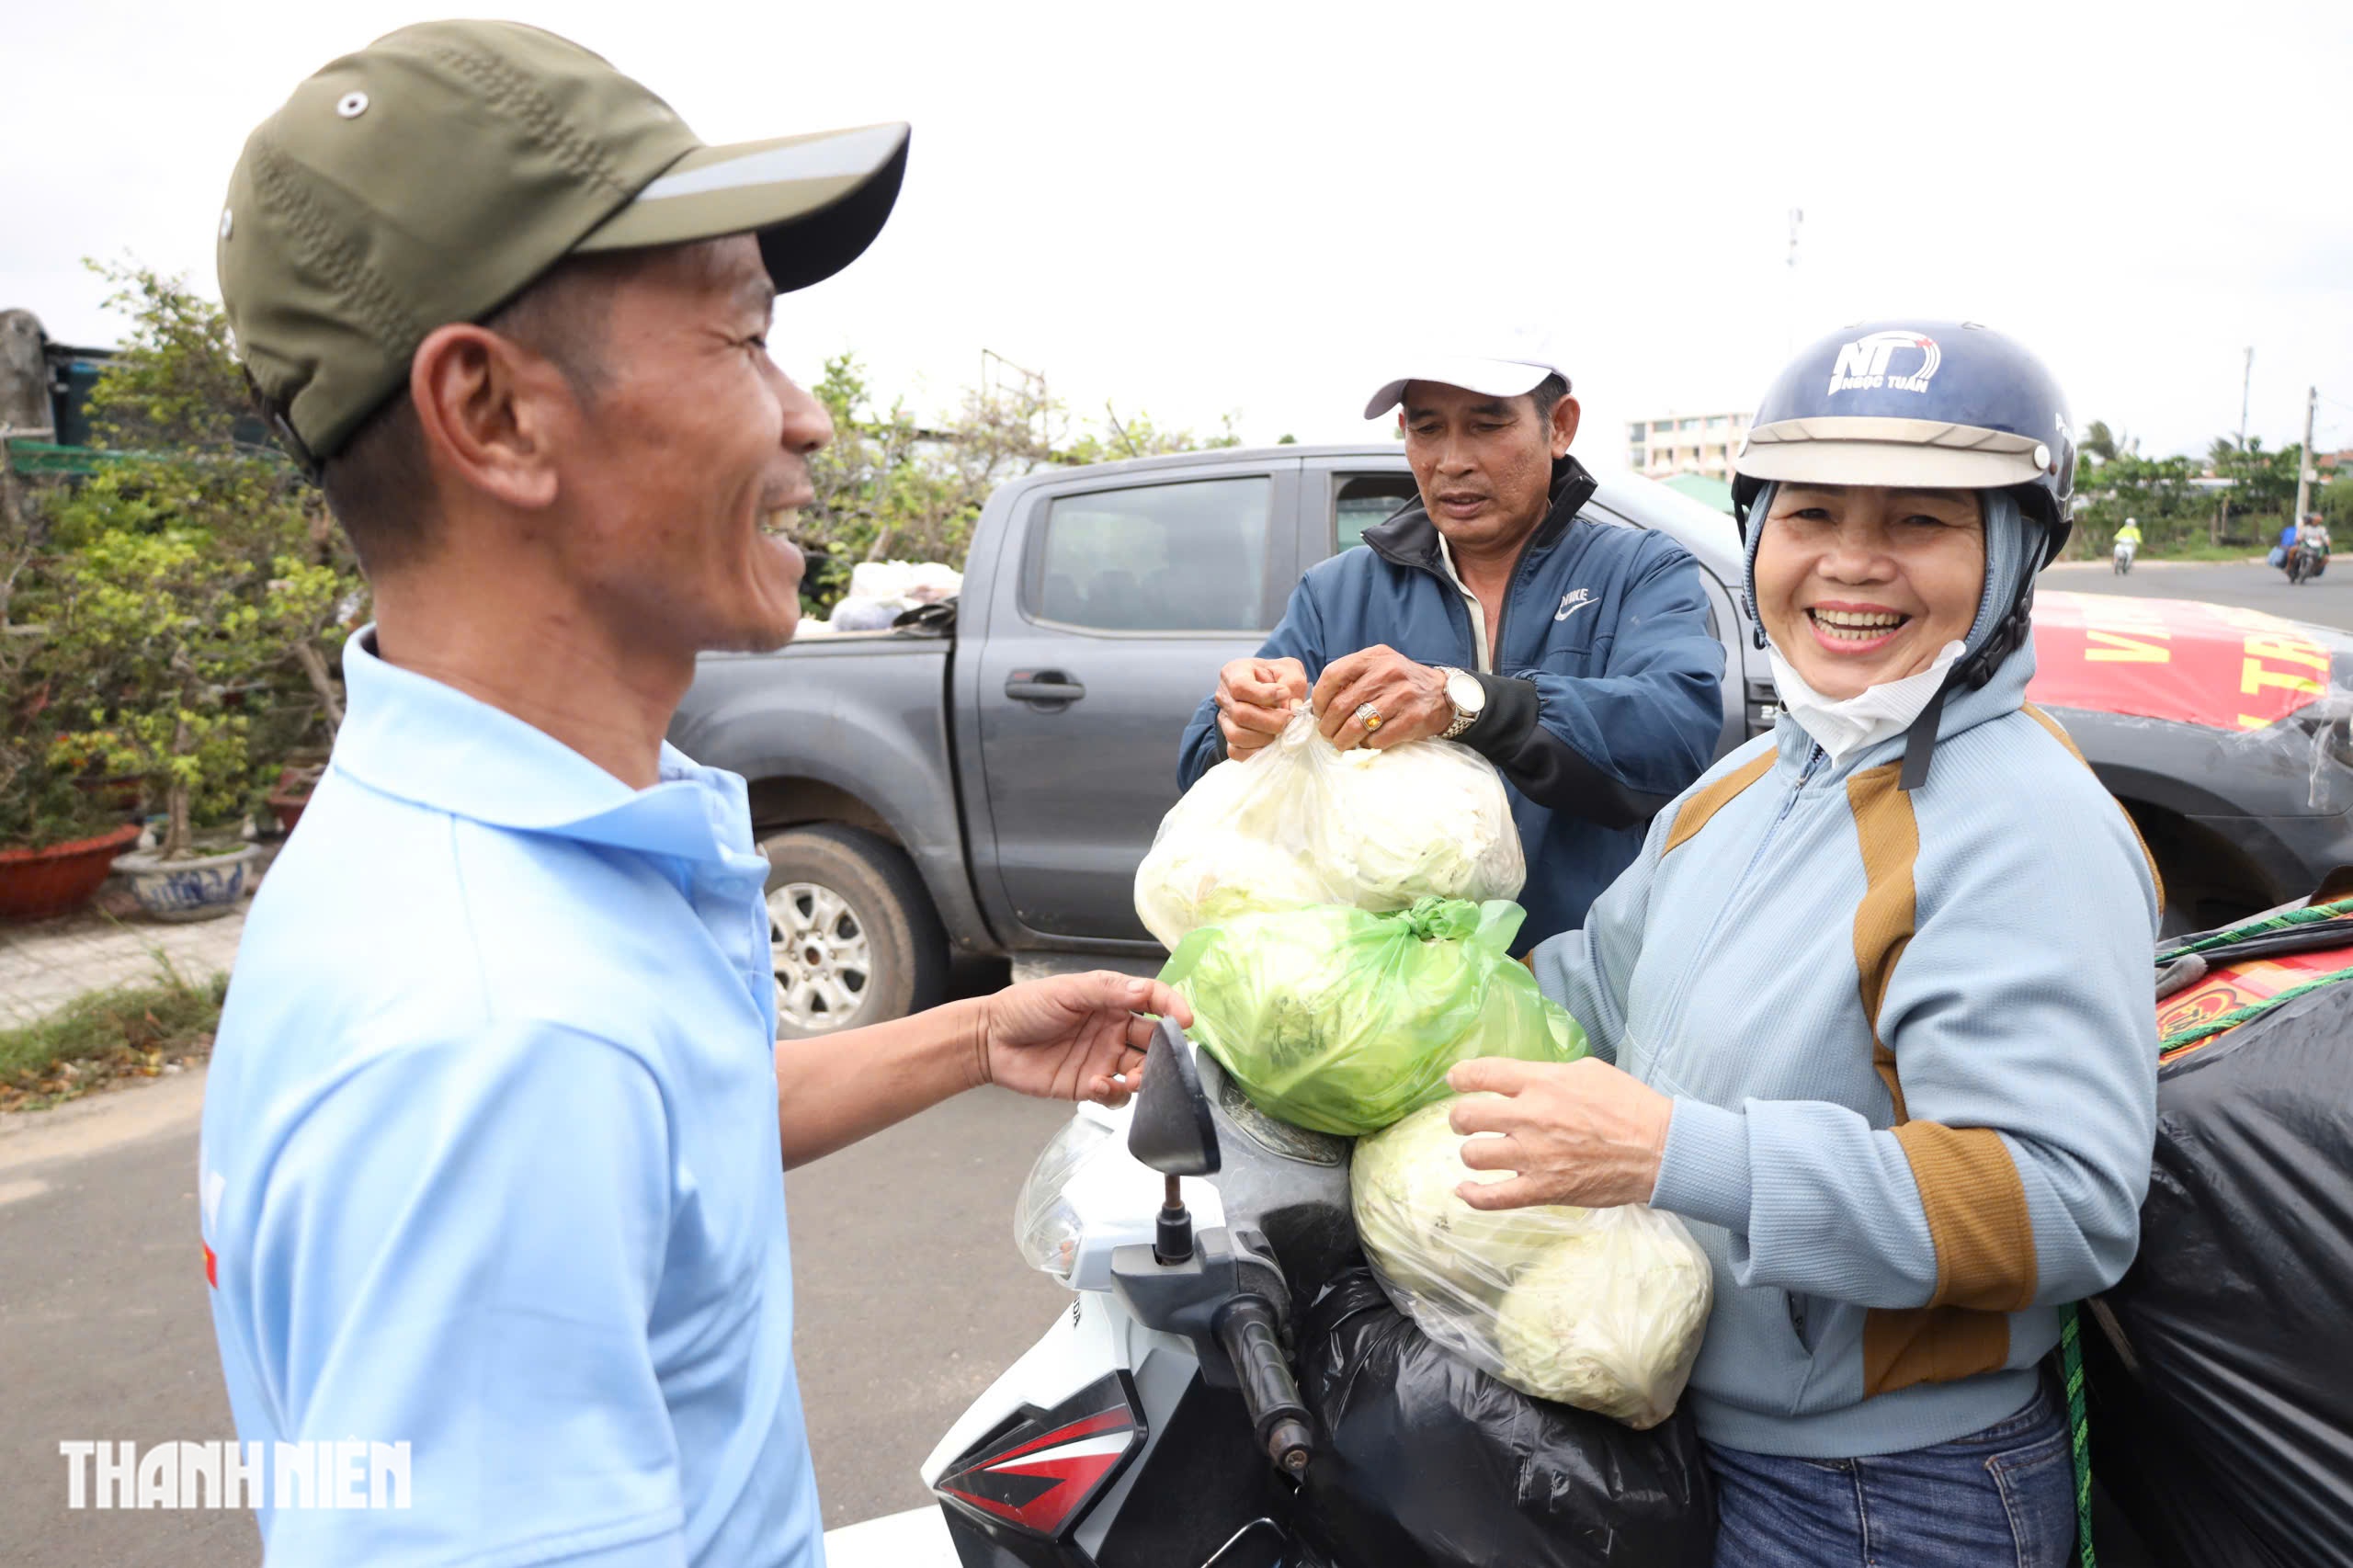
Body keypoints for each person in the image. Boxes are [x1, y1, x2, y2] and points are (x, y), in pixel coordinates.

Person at [199, 23, 1188, 1567]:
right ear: (495, 415)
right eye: (741, 341)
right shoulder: (493, 1034)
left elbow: (662, 1122)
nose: (808, 417)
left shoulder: (510, 860)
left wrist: (969, 1033)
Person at [1439, 321, 2159, 1567]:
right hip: (1707, 1438)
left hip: (1889, 1491)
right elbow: (1583, 995)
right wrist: (1327, 1008)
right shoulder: (1751, 779)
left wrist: (1679, 1153)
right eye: (1812, 513)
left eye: (1924, 523)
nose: (1853, 564)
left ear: (2017, 553)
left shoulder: (2030, 827)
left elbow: (2065, 1201)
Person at [1176, 328, 1725, 948]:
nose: (1451, 461)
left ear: (1561, 425)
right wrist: (1240, 724)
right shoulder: (1337, 593)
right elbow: (1202, 764)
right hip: (1383, 997)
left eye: (1488, 425)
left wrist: (1465, 702)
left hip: (1580, 984)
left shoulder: (1638, 571)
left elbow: (1674, 734)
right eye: (1428, 429)